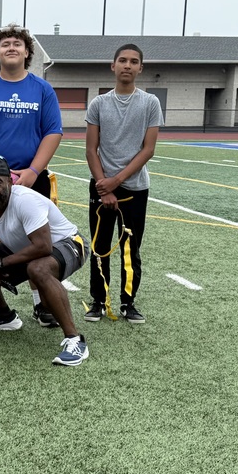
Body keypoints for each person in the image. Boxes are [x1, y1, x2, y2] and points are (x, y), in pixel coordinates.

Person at [0, 23, 63, 327]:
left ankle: (41, 302)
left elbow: (53, 133)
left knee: (33, 237)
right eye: (5, 44)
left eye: (18, 43)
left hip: (29, 177)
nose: (11, 47)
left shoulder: (42, 89)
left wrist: (32, 172)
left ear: (27, 52)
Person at [0, 157, 90, 367]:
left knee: (38, 269)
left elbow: (43, 246)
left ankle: (75, 340)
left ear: (10, 183)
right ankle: (5, 317)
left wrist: (0, 264)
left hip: (70, 243)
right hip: (26, 248)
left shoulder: (25, 200)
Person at [84, 43, 163, 325]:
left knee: (130, 247)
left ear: (141, 68)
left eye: (133, 61)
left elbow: (148, 149)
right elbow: (91, 149)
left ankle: (128, 303)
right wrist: (102, 185)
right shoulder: (99, 104)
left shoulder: (150, 103)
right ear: (113, 66)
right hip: (102, 186)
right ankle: (98, 301)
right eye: (122, 60)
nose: (127, 65)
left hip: (134, 188)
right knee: (100, 246)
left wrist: (116, 181)